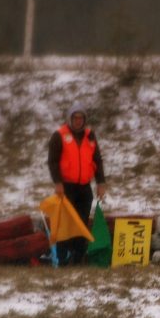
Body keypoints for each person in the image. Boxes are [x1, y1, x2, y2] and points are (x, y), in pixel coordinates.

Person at [47, 104, 106, 265]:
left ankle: (78, 257)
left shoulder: (90, 136)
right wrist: (57, 182)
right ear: (70, 119)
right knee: (65, 224)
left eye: (81, 118)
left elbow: (97, 160)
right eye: (75, 118)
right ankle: (62, 257)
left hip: (84, 187)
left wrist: (100, 182)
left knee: (82, 222)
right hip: (66, 187)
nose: (78, 121)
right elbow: (52, 162)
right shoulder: (59, 135)